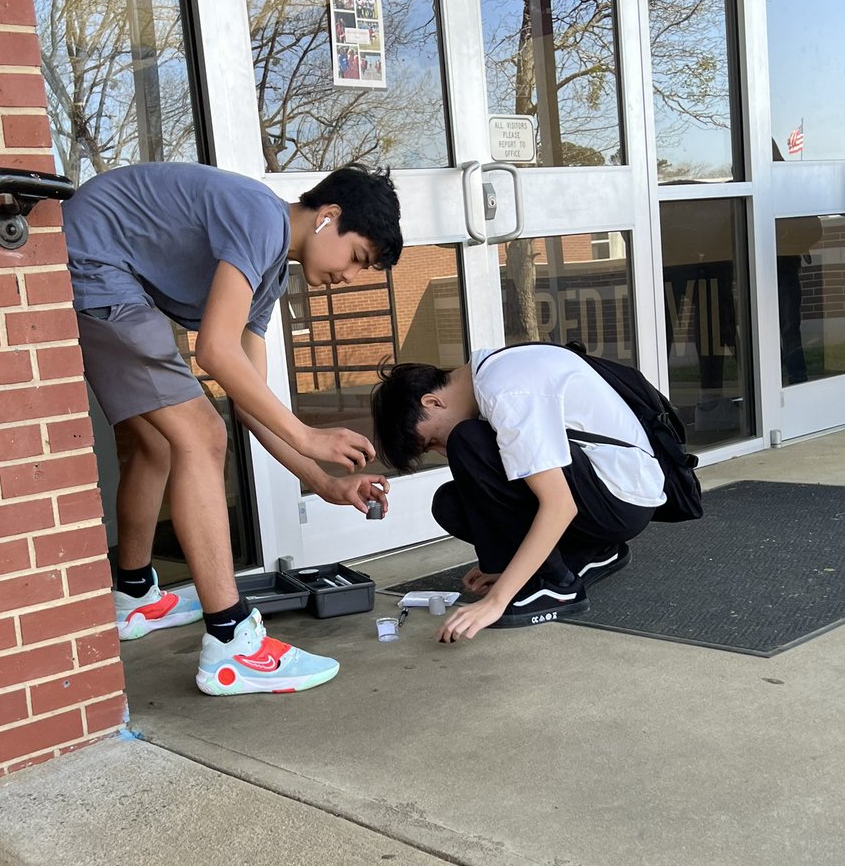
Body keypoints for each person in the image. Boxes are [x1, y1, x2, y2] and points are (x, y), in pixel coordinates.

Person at [62, 161, 402, 694]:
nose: (350, 277)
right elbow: (215, 350)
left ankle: (134, 594)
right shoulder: (262, 216)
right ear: (328, 216)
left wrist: (324, 483)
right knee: (202, 435)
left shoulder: (268, 277)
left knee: (162, 442)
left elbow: (250, 404)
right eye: (357, 257)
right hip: (91, 262)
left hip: (100, 267)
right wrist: (309, 436)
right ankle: (231, 641)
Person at [370, 343, 666, 642]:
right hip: (605, 497)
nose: (442, 451)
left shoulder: (504, 388)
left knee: (467, 441)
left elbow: (560, 505)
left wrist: (496, 600)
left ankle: (558, 586)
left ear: (433, 402)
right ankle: (596, 553)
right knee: (450, 504)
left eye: (432, 441)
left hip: (621, 500)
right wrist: (505, 567)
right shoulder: (491, 378)